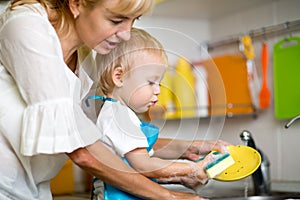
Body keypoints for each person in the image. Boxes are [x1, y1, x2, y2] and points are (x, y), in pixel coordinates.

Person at [0, 0, 229, 199]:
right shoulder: (25, 27)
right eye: (116, 20)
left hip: (36, 189)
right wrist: (170, 193)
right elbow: (82, 151)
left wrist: (189, 148)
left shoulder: (87, 53)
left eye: (134, 20)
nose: (126, 34)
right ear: (76, 3)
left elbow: (111, 140)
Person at [87, 28, 232, 200]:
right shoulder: (119, 117)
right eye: (151, 82)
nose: (157, 91)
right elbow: (144, 165)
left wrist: (181, 176)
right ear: (119, 77)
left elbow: (141, 162)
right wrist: (191, 169)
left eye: (159, 83)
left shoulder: (116, 112)